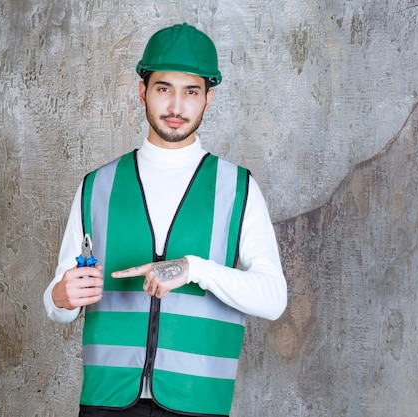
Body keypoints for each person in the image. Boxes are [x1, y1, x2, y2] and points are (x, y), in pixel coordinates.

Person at [44, 23, 287, 417]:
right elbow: (59, 302)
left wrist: (192, 268)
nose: (176, 107)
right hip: (106, 401)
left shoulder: (237, 188)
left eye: (191, 91)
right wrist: (60, 296)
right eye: (163, 89)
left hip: (197, 404)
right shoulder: (97, 186)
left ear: (208, 99)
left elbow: (274, 299)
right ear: (142, 92)